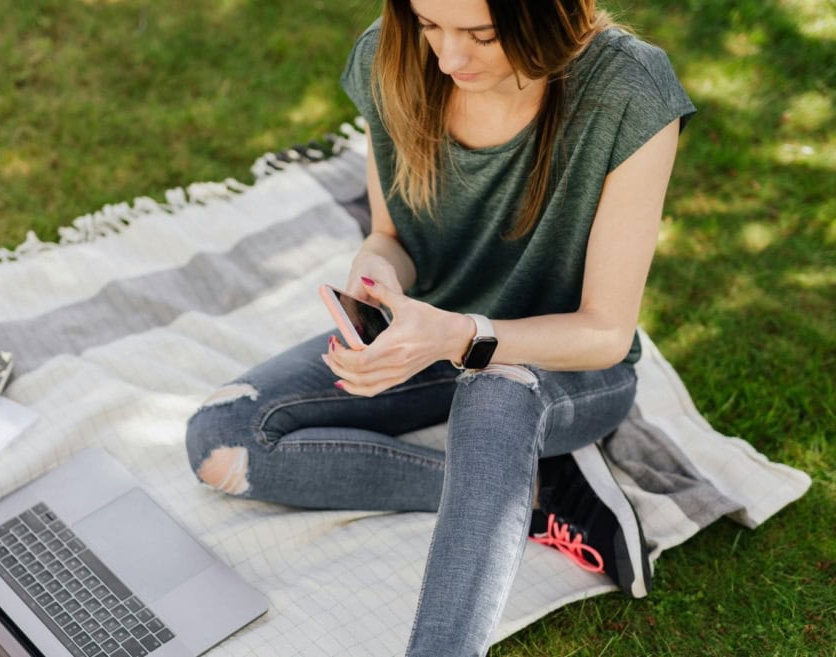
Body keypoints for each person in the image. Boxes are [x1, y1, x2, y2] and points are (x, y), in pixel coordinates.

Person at [184, 0, 695, 654]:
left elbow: (603, 331)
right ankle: (535, 491)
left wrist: (462, 339)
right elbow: (391, 235)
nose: (449, 59)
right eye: (430, 25)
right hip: (431, 334)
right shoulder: (389, 58)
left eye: (481, 34)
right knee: (222, 436)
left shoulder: (630, 90)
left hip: (566, 365)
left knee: (493, 387)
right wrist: (376, 276)